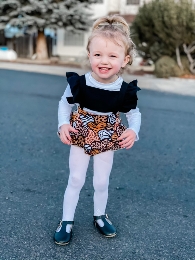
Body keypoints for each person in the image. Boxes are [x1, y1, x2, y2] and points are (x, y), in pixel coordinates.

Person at [54, 15, 141, 245]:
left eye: (113, 55)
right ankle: (66, 221)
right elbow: (65, 103)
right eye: (98, 55)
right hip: (80, 132)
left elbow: (134, 113)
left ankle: (100, 216)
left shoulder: (124, 90)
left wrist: (133, 130)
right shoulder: (79, 83)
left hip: (107, 134)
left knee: (101, 181)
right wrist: (63, 124)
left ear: (125, 60)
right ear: (89, 55)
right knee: (76, 178)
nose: (104, 60)